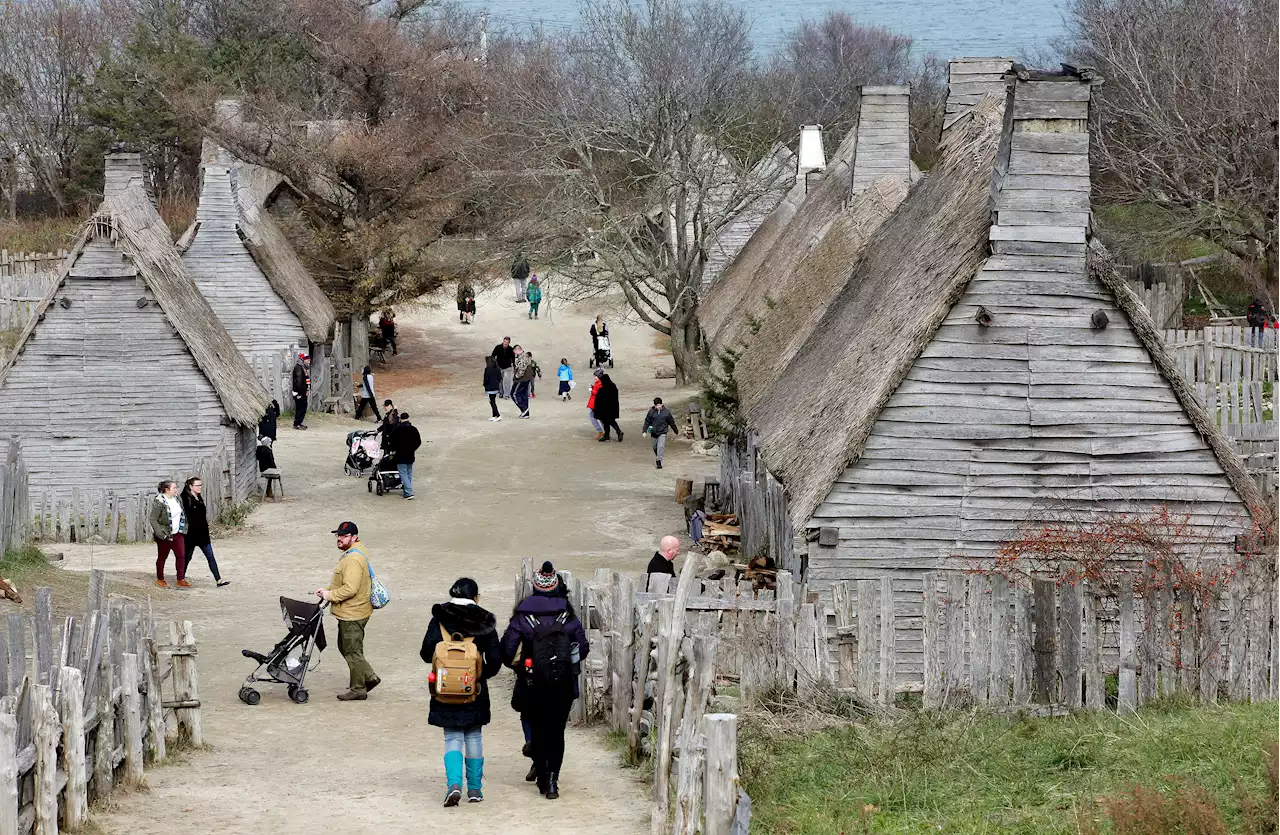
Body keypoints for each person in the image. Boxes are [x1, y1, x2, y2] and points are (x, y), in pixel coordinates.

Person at [501, 562, 589, 800]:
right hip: (562, 685)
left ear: (536, 587)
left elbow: (507, 651)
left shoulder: (523, 616)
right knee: (556, 732)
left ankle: (541, 775)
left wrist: (521, 666)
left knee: (538, 729)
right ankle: (552, 781)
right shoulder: (567, 615)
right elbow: (582, 648)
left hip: (532, 683)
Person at [419, 577, 502, 806]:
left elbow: (426, 653)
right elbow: (495, 659)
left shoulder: (439, 618)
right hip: (474, 688)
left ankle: (453, 784)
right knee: (474, 735)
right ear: (476, 597)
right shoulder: (484, 620)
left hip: (445, 688)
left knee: (452, 736)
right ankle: (474, 789)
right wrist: (480, 676)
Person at [316, 521, 380, 701]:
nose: (339, 539)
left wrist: (329, 595)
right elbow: (343, 583)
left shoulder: (352, 558)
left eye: (344, 536)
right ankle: (369, 677)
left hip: (353, 613)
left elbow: (350, 589)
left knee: (352, 651)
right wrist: (328, 590)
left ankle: (359, 688)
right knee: (346, 647)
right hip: (354, 611)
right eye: (338, 535)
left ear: (354, 537)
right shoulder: (354, 553)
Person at [181, 477, 229, 587]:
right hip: (191, 535)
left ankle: (218, 580)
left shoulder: (199, 498)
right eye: (197, 485)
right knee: (187, 557)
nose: (200, 487)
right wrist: (187, 482)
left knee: (210, 556)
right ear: (191, 487)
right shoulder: (186, 498)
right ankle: (181, 578)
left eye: (200, 485)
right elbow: (184, 495)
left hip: (203, 534)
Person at [149, 480, 189, 589]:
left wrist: (184, 528)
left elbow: (182, 515)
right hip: (165, 535)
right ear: (167, 489)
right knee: (162, 557)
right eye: (174, 488)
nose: (176, 490)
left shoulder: (177, 499)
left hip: (177, 533)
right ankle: (160, 579)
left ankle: (180, 579)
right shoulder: (159, 502)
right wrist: (160, 533)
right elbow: (153, 519)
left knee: (181, 556)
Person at [390, 412, 422, 499]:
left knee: (403, 473)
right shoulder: (414, 429)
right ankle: (407, 490)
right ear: (408, 418)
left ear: (400, 419)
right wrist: (412, 449)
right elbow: (418, 442)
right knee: (409, 473)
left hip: (400, 455)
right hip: (410, 454)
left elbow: (391, 442)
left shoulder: (397, 430)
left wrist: (394, 450)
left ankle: (409, 492)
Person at [643, 396, 679, 469]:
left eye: (659, 405)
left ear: (662, 404)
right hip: (653, 432)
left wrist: (675, 430)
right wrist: (644, 431)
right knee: (655, 447)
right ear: (655, 405)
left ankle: (659, 460)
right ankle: (658, 456)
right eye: (656, 405)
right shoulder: (651, 412)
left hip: (662, 432)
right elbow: (647, 421)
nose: (658, 407)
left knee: (661, 446)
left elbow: (671, 422)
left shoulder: (666, 413)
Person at [593, 373, 623, 442]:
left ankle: (607, 435)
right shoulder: (613, 387)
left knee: (606, 421)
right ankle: (618, 432)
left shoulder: (603, 389)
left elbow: (599, 399)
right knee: (611, 421)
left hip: (605, 409)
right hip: (613, 408)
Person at [512, 346, 534, 418]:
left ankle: (524, 409)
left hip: (521, 379)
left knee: (514, 393)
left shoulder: (523, 357)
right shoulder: (525, 356)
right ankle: (526, 413)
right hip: (526, 379)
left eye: (514, 351)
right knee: (523, 395)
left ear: (517, 350)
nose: (514, 353)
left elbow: (521, 369)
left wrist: (516, 376)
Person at [291, 353, 310, 430]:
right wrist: (302, 392)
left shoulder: (303, 368)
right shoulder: (298, 368)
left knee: (302, 407)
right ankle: (297, 424)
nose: (309, 362)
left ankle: (299, 423)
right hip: (299, 392)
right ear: (303, 360)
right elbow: (299, 382)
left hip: (302, 392)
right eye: (308, 360)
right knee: (300, 408)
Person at [586, 369, 604, 438]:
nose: (594, 378)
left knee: (593, 416)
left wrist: (592, 391)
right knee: (599, 417)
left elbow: (599, 393)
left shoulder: (600, 383)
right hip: (594, 403)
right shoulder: (599, 382)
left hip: (596, 403)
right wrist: (593, 388)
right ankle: (604, 432)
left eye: (595, 376)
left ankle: (601, 431)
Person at [483, 356, 502, 422]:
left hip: (489, 388)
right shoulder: (497, 368)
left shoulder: (487, 369)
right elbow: (500, 378)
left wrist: (485, 385)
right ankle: (494, 416)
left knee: (492, 402)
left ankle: (498, 415)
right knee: (493, 401)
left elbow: (486, 379)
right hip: (496, 387)